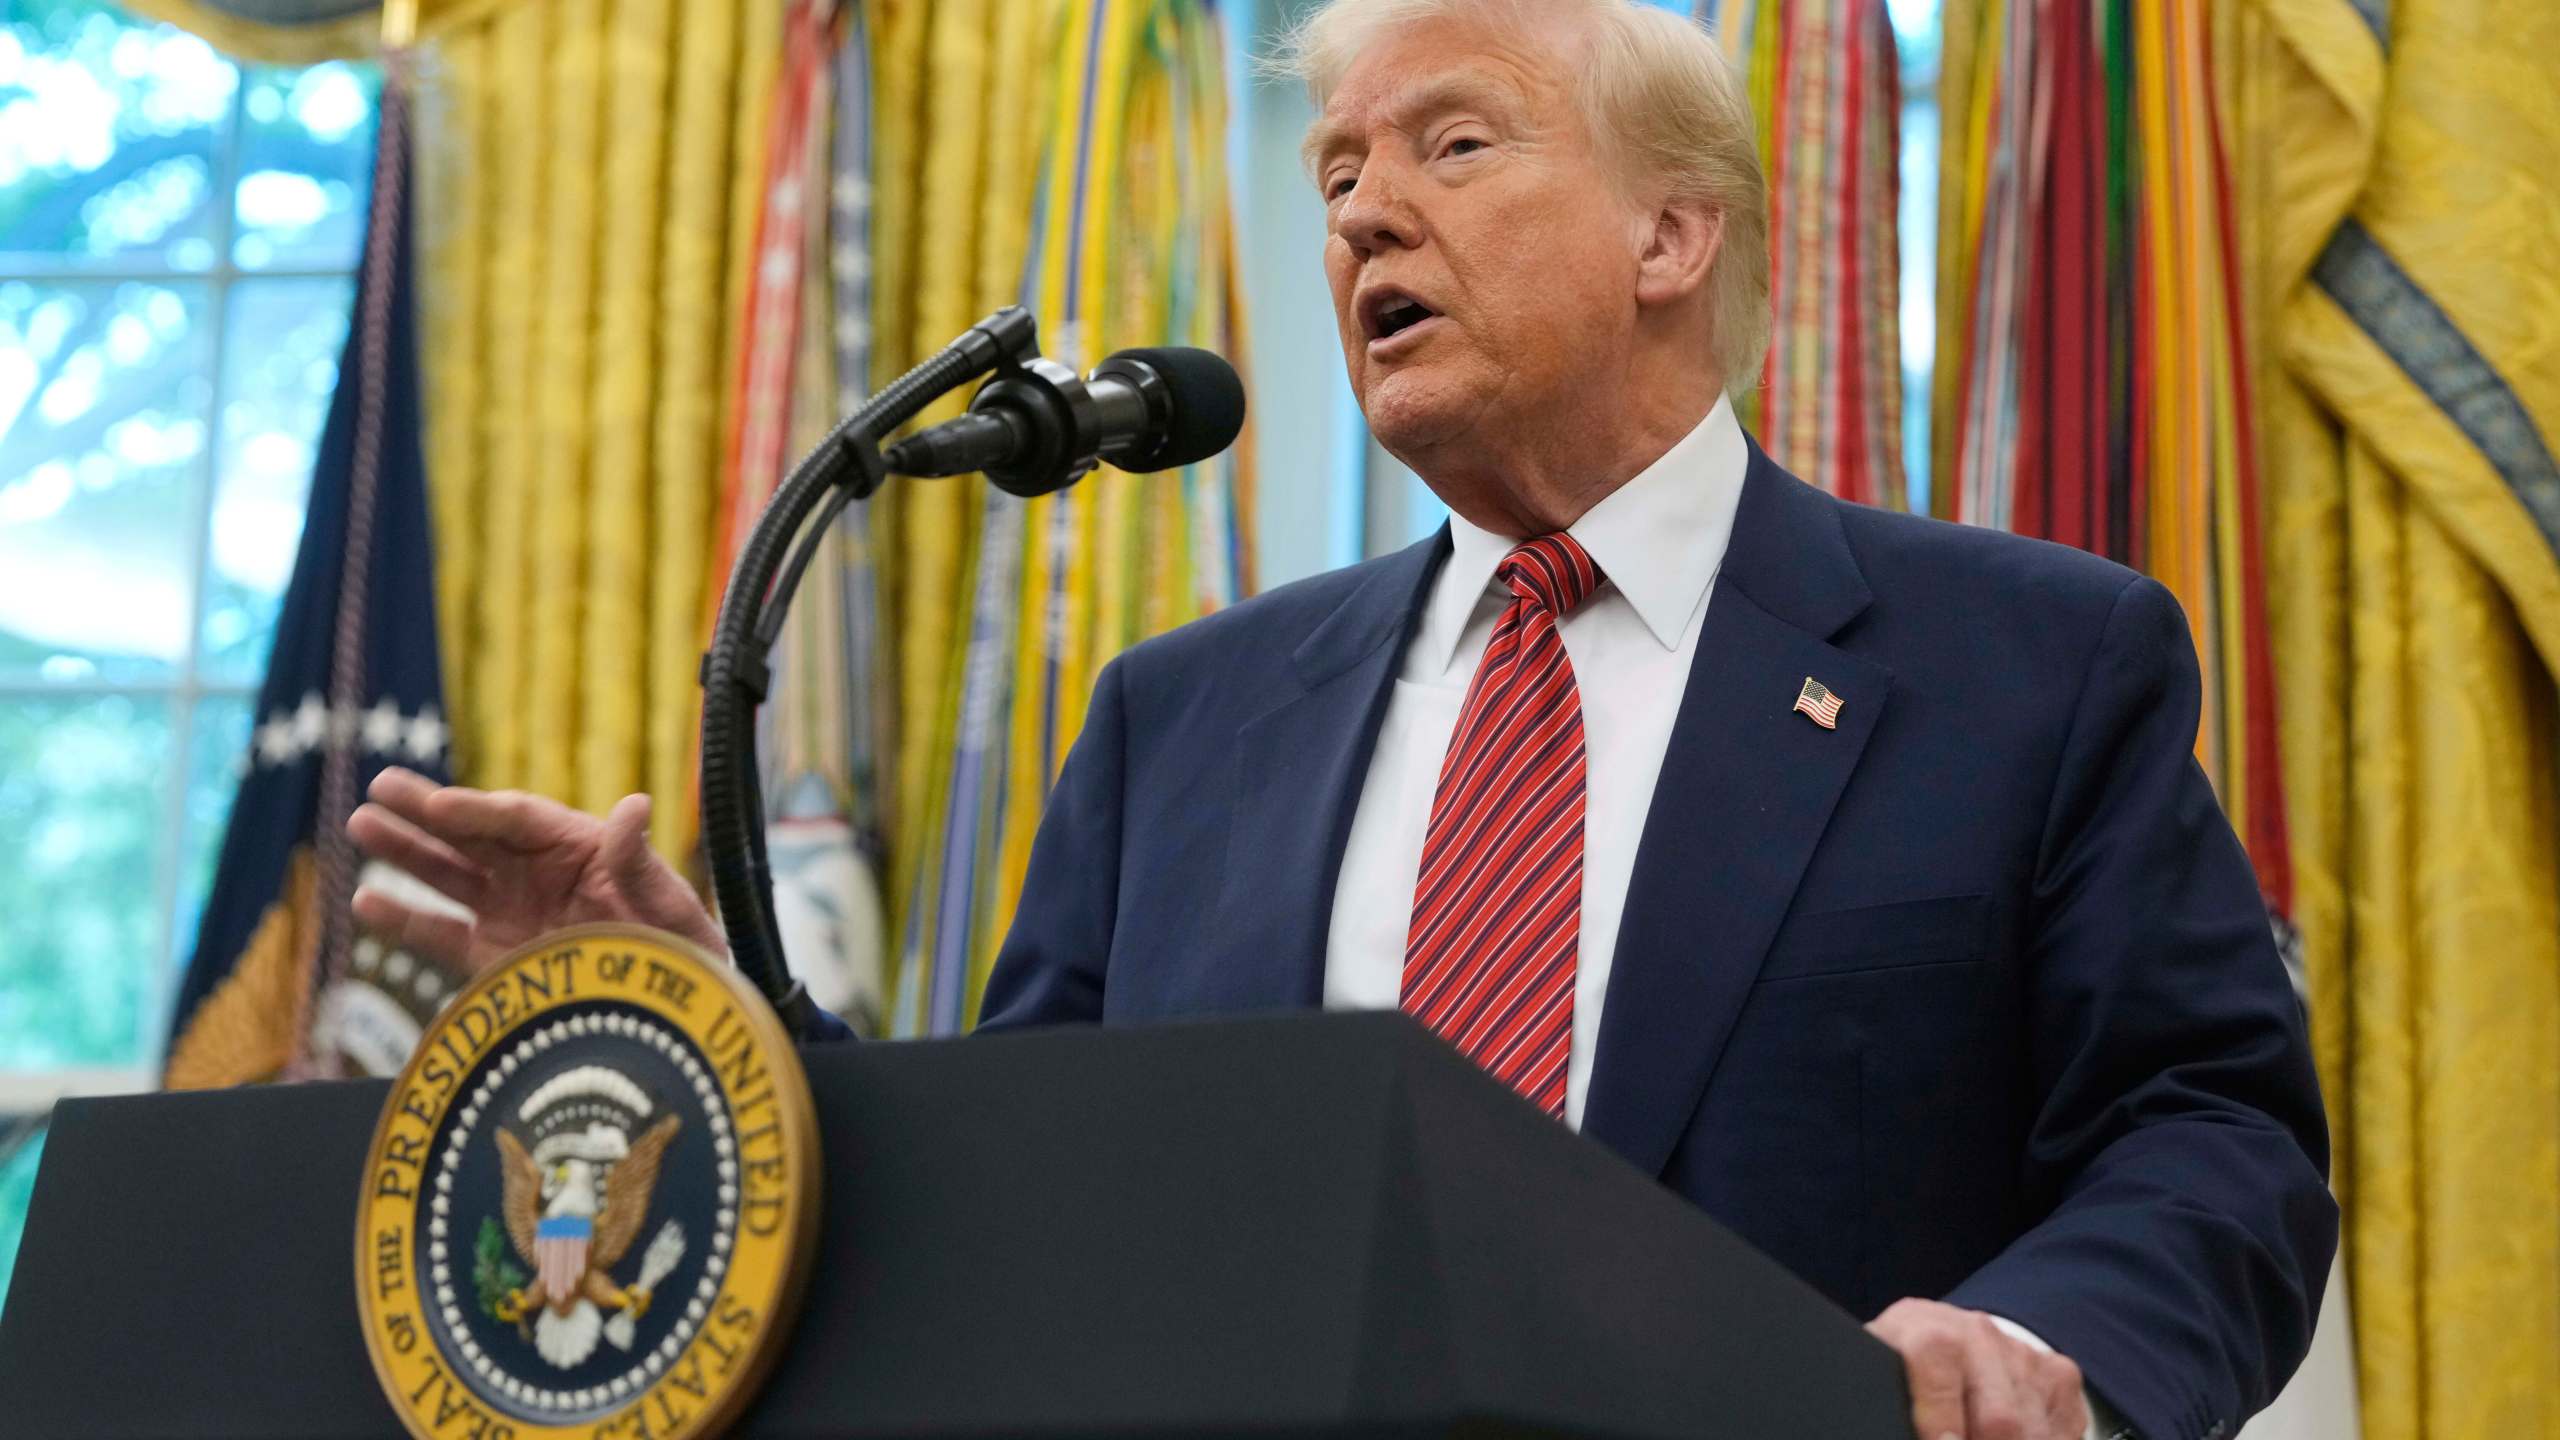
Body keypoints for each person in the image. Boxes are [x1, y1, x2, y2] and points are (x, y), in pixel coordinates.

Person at [350, 3, 2334, 1437]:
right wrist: (697, 1016)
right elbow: (1017, 1204)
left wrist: (2027, 1354)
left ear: (1671, 235)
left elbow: (2210, 1142)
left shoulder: (2026, 663)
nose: (1366, 216)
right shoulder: (1176, 725)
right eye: (1334, 175)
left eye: (1449, 146)